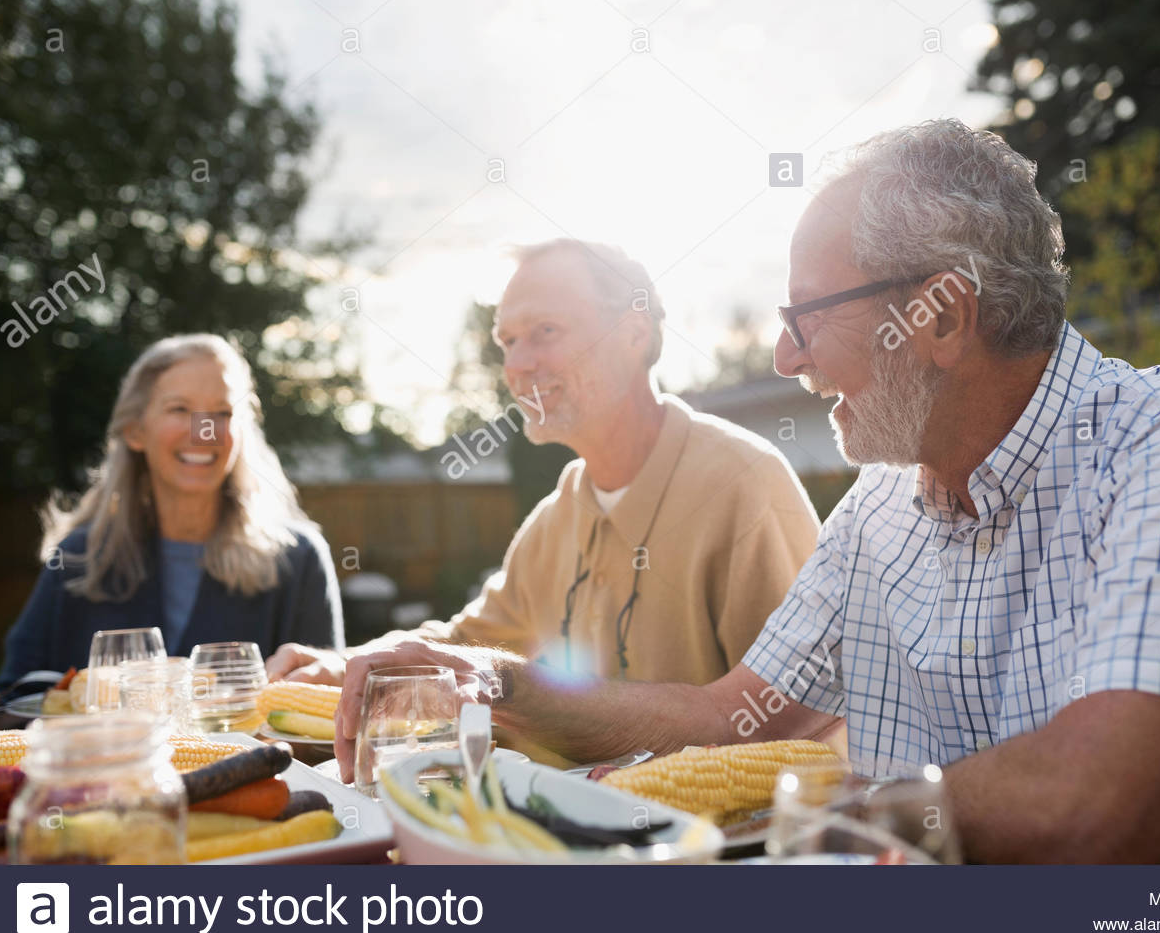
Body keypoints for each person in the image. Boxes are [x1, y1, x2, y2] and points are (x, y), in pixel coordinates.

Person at [332, 121, 1160, 864]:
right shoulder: (877, 506)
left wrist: (830, 816)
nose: (785, 358)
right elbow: (723, 717)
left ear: (937, 315)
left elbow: (1110, 812)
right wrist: (498, 685)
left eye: (807, 319)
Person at [268, 239, 819, 694]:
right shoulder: (557, 518)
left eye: (545, 332)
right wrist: (344, 665)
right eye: (507, 340)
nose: (516, 365)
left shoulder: (745, 487)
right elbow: (464, 644)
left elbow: (800, 715)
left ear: (633, 333)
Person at [0, 334, 344, 688]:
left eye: (222, 413)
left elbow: (323, 711)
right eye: (180, 409)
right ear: (135, 431)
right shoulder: (76, 558)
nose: (204, 431)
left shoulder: (299, 560)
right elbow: (14, 698)